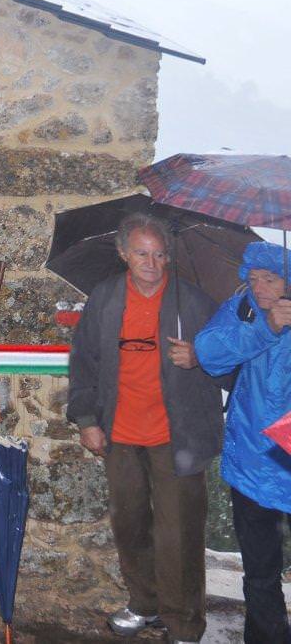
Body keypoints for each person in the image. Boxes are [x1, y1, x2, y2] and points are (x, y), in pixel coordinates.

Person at [66, 214, 222, 643]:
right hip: (120, 435)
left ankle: (185, 625)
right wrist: (86, 420)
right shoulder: (106, 299)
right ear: (123, 254)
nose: (151, 262)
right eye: (141, 253)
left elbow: (229, 366)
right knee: (130, 525)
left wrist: (201, 357)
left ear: (167, 257)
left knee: (180, 534)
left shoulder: (192, 302)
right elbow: (83, 363)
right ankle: (145, 604)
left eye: (158, 254)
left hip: (178, 437)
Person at [196, 242, 291, 644]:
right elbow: (210, 353)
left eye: (269, 279)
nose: (261, 287)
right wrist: (266, 328)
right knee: (260, 570)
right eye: (253, 279)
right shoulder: (245, 309)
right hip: (253, 461)